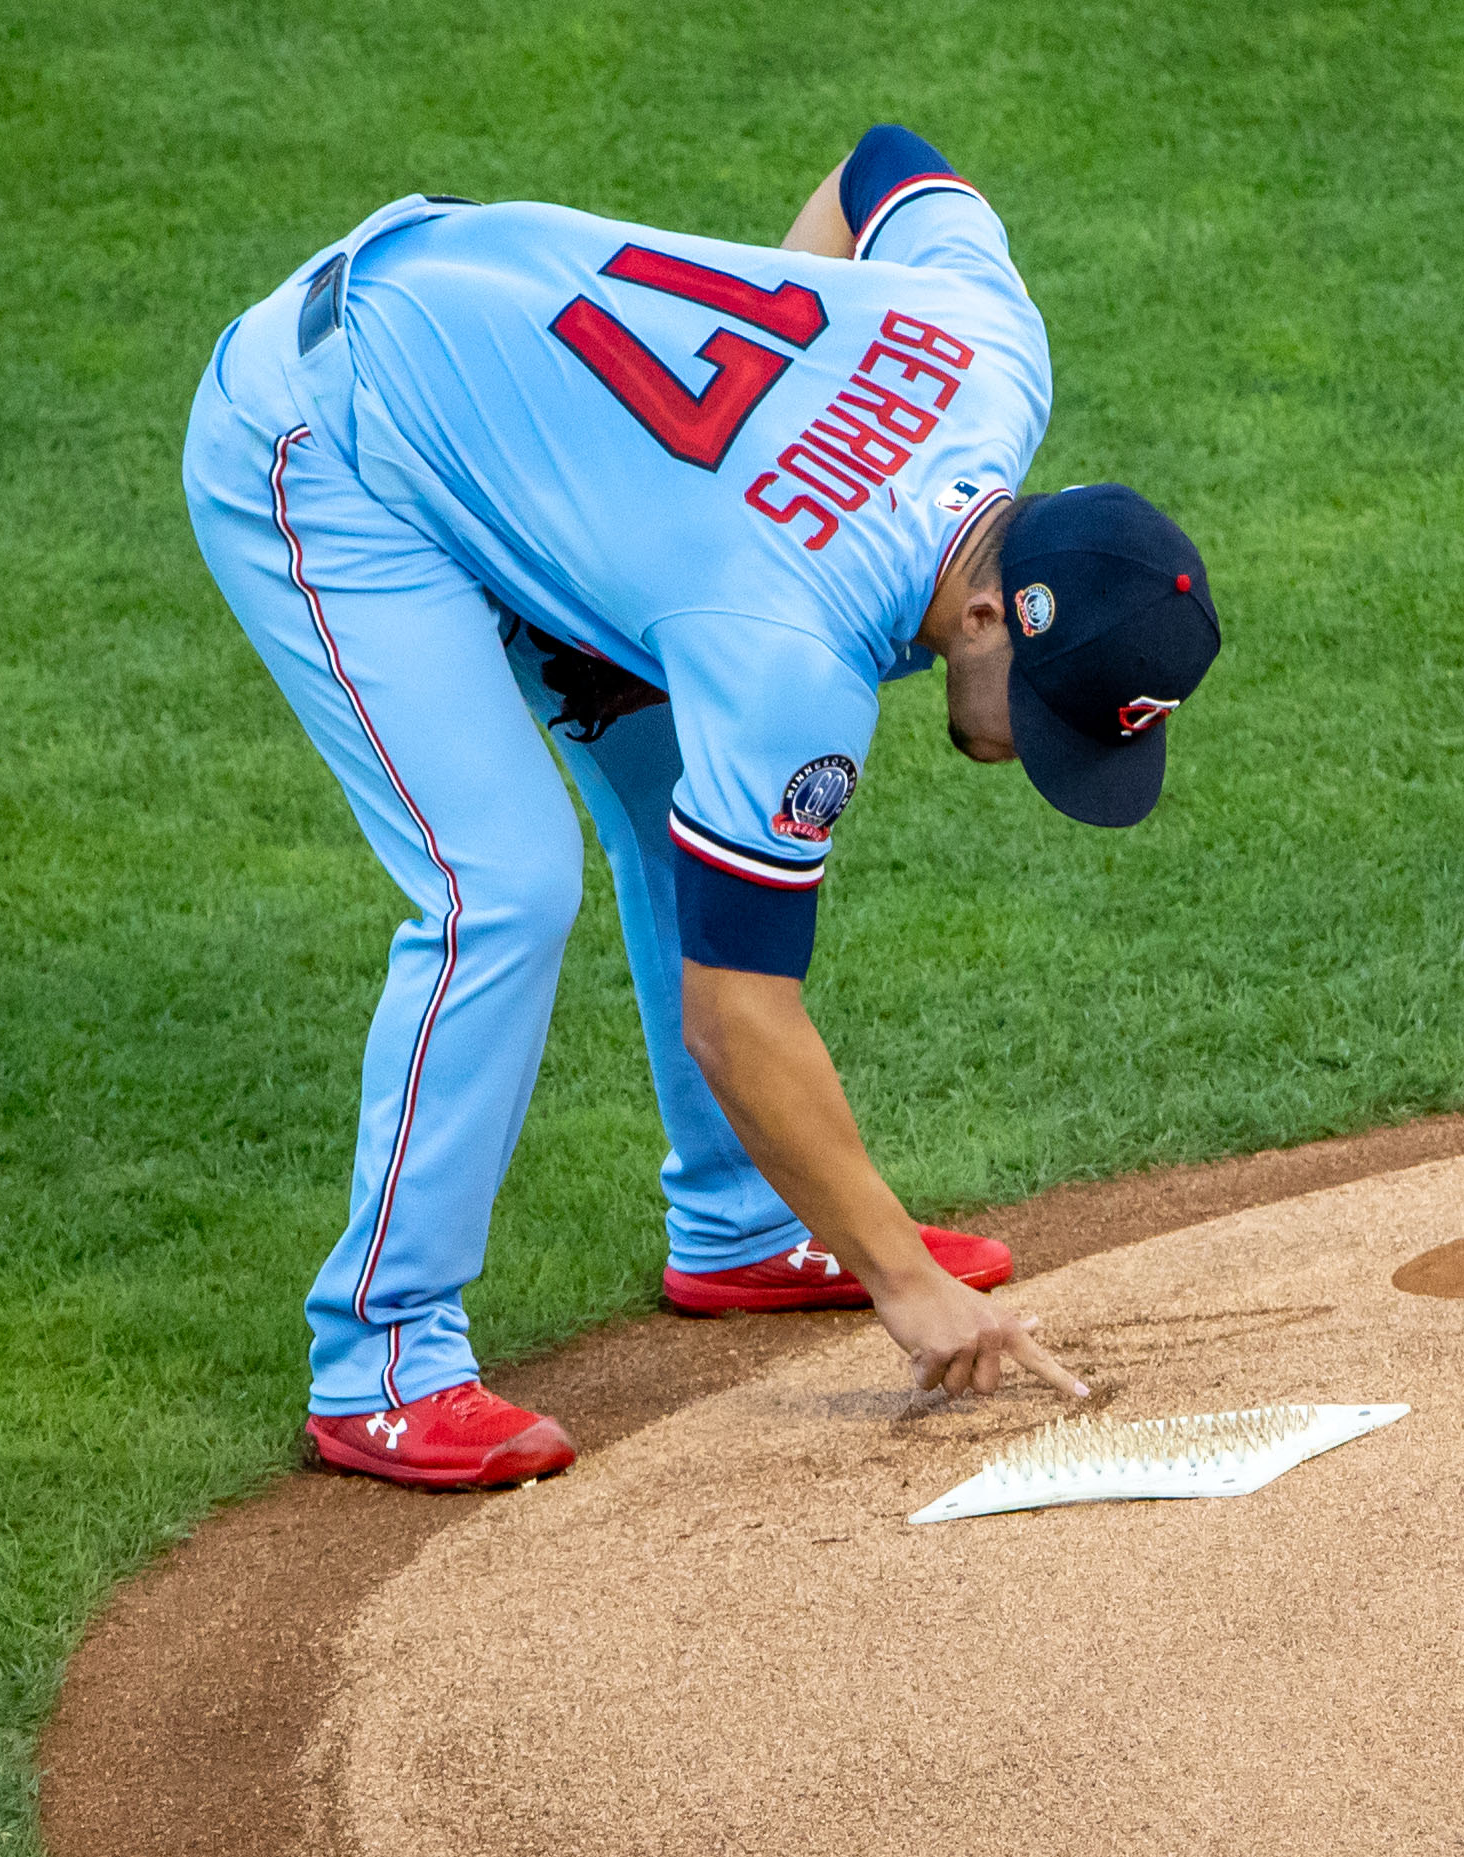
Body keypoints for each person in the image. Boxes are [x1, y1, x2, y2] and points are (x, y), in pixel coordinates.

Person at [180, 127, 1220, 1489]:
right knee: (499, 883)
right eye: (1045, 716)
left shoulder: (987, 338)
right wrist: (907, 1282)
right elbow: (737, 1011)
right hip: (333, 430)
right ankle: (379, 1357)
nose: (1033, 754)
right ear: (985, 609)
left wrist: (736, 479)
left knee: (680, 790)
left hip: (488, 347)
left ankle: (737, 1225)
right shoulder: (785, 649)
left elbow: (885, 167)